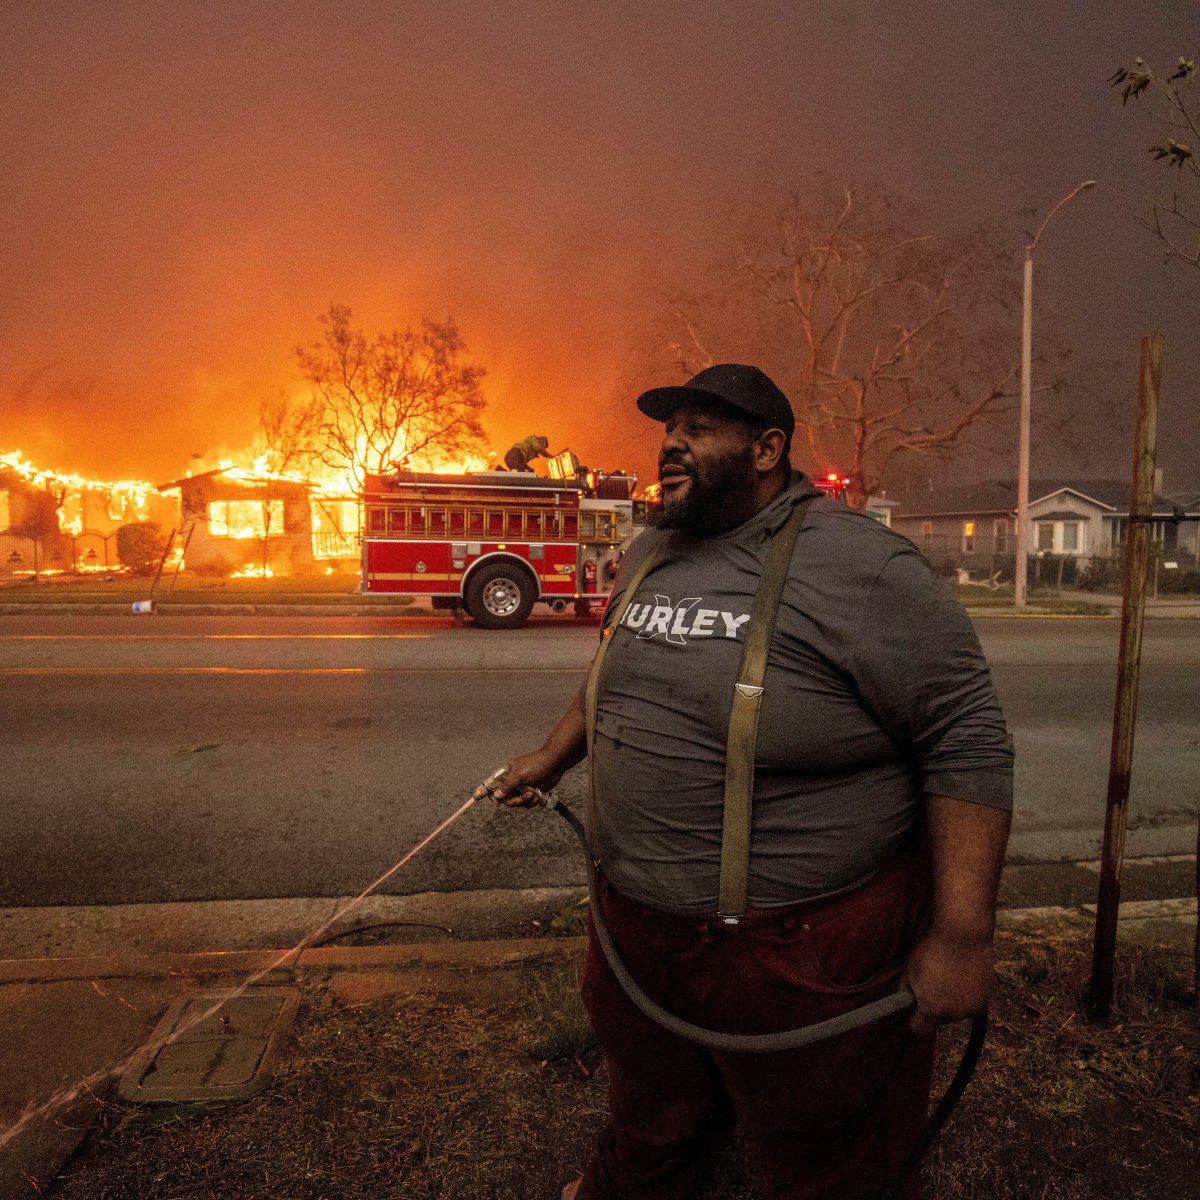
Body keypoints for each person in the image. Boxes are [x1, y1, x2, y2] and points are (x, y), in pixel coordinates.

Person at [489, 363, 1013, 1200]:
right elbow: (613, 676)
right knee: (653, 1113)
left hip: (797, 956)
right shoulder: (651, 550)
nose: (671, 445)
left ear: (768, 448)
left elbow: (968, 739)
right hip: (636, 935)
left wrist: (961, 936)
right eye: (669, 429)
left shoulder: (865, 569)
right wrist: (553, 754)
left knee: (822, 1152)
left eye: (699, 428)